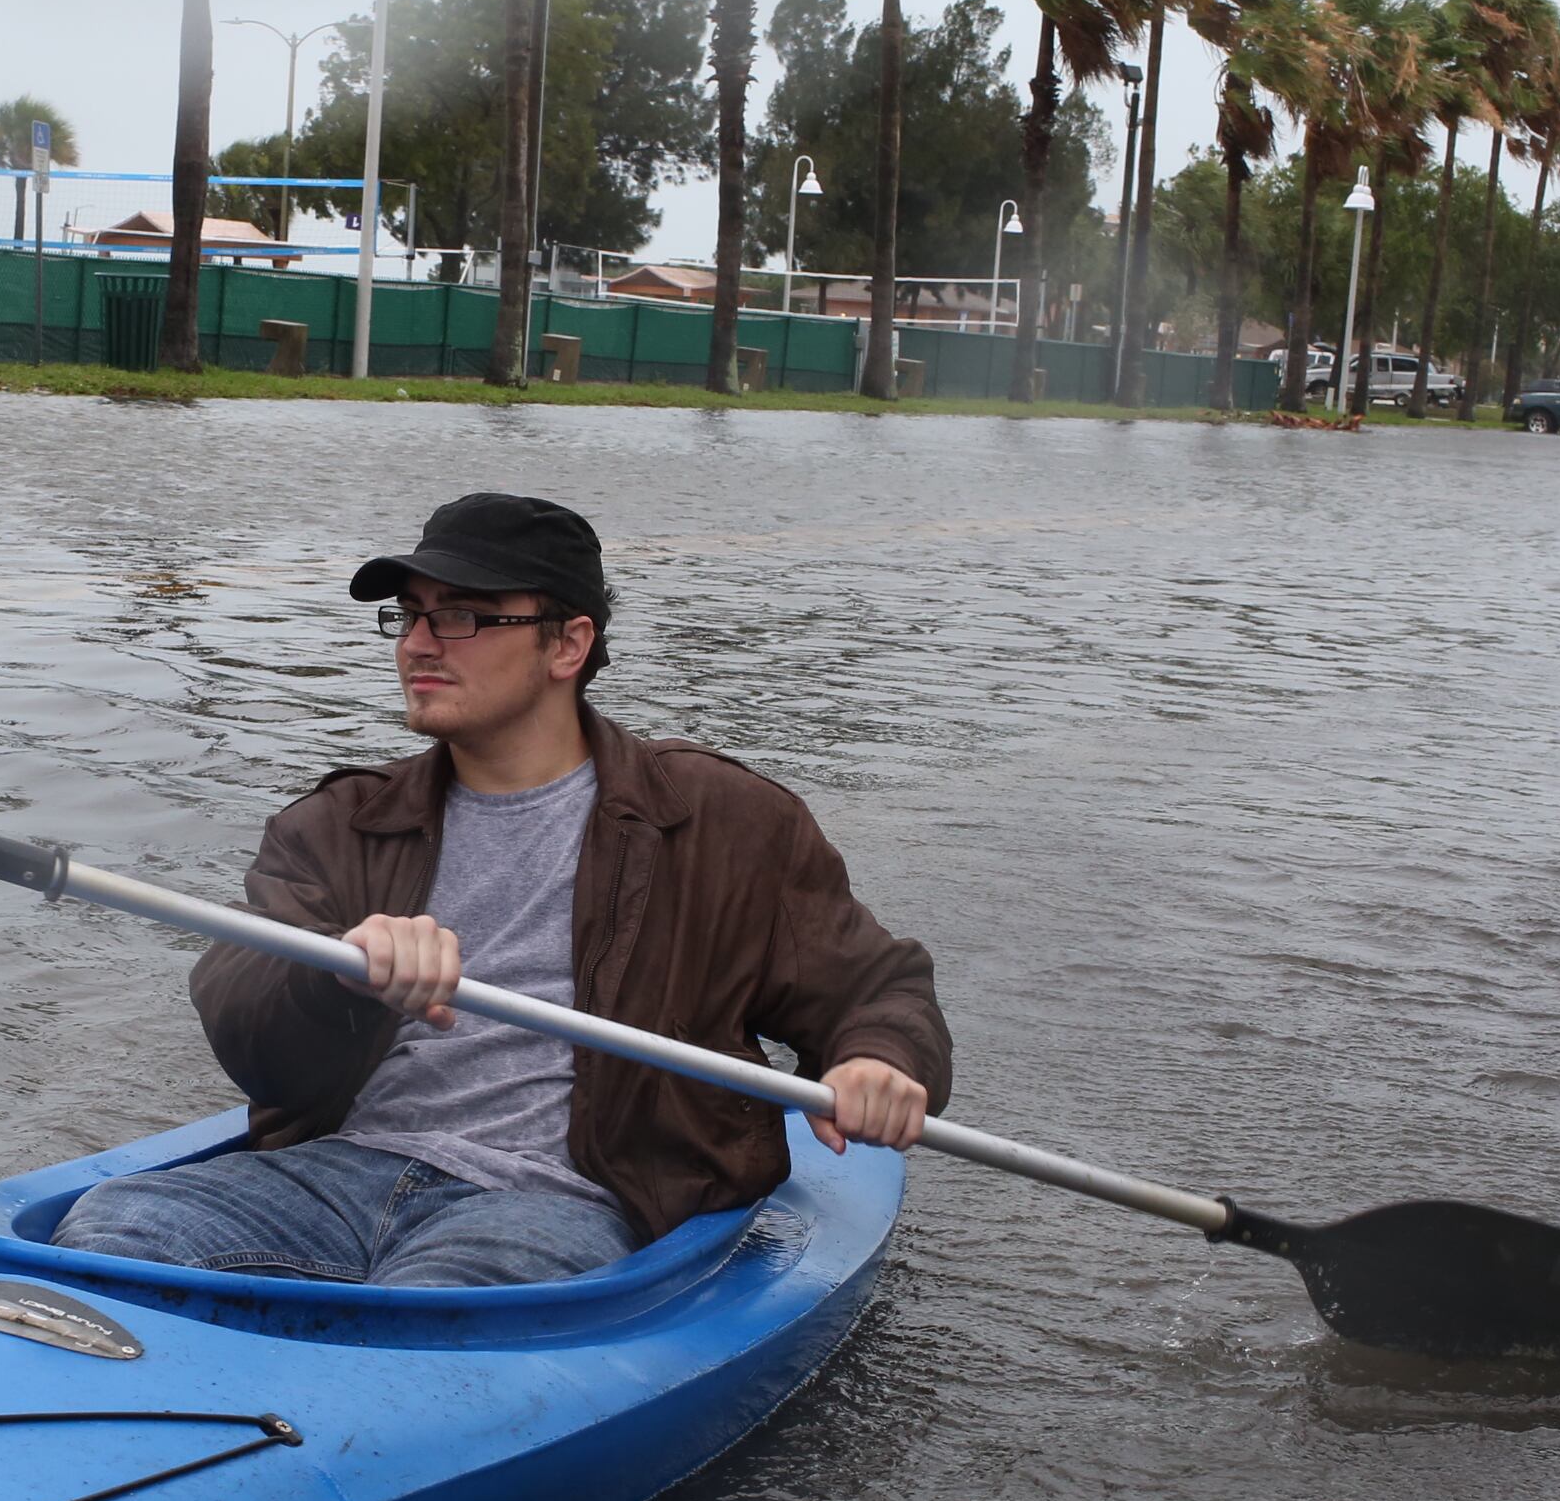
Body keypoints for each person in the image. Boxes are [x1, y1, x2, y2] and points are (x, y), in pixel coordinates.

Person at [57, 492, 948, 1288]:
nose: (417, 645)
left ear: (568, 643)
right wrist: (337, 976)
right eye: (410, 617)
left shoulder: (726, 819)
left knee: (438, 1308)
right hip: (346, 1167)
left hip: (563, 1195)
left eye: (464, 619)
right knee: (107, 1230)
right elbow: (249, 1033)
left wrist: (877, 1060)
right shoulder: (340, 823)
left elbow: (874, 988)